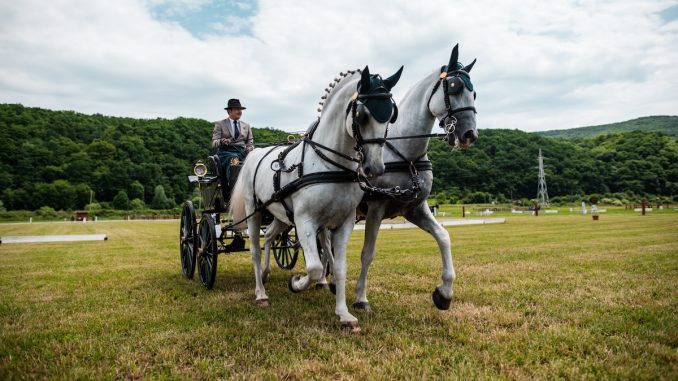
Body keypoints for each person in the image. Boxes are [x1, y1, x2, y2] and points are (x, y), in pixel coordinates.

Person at [211, 99, 254, 188]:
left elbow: (250, 142)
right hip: (226, 153)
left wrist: (249, 148)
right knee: (234, 159)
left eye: (240, 109)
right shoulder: (220, 124)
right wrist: (222, 141)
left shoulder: (246, 126)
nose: (240, 111)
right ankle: (233, 188)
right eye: (237, 109)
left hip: (243, 152)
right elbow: (214, 142)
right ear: (229, 111)